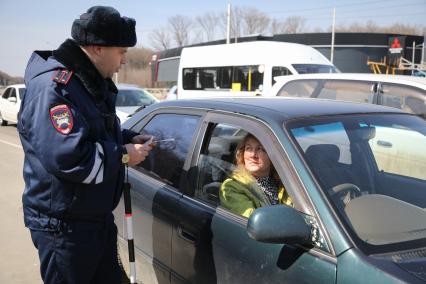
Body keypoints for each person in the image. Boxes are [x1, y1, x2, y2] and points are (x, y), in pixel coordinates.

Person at [17, 6, 152, 284]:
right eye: (122, 52)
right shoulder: (56, 88)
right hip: (64, 228)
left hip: (94, 220)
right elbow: (70, 158)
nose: (124, 60)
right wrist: (125, 155)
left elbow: (92, 130)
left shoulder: (86, 82)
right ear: (97, 48)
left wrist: (126, 139)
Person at [220, 133, 293, 218]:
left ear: (272, 156)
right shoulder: (232, 187)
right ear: (243, 154)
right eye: (248, 149)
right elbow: (255, 224)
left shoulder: (284, 183)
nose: (253, 155)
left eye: (260, 149)